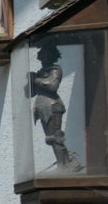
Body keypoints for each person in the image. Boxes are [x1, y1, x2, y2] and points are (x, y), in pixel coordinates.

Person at [27, 43, 81, 171]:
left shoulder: (55, 69)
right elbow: (32, 92)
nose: (42, 58)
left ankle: (64, 164)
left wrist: (36, 80)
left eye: (45, 55)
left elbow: (52, 85)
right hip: (42, 105)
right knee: (51, 137)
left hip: (52, 105)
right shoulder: (41, 72)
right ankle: (65, 162)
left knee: (55, 136)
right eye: (42, 55)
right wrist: (29, 81)